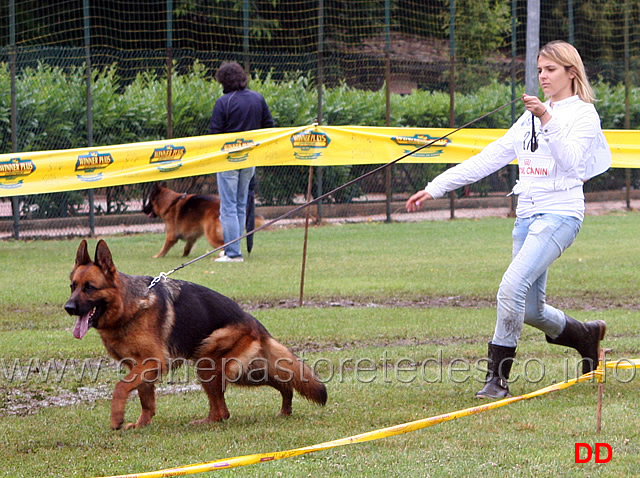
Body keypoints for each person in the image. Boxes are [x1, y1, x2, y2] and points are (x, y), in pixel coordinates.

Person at [406, 41, 611, 399]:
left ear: (571, 72)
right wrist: (435, 188)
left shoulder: (583, 115)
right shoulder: (529, 115)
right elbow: (489, 158)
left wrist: (546, 119)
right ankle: (585, 336)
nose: (542, 76)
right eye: (539, 70)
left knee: (510, 287)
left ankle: (497, 379)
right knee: (530, 309)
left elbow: (573, 165)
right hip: (527, 215)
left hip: (561, 213)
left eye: (550, 70)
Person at [209, 61, 274, 262]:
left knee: (228, 206)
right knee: (239, 204)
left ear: (223, 80)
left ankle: (232, 252)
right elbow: (268, 126)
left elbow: (214, 133)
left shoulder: (223, 102)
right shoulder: (257, 98)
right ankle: (234, 248)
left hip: (228, 159)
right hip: (250, 158)